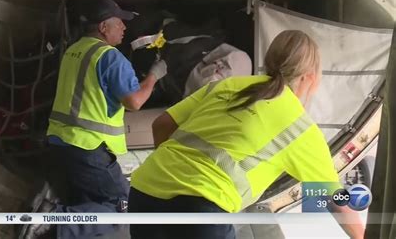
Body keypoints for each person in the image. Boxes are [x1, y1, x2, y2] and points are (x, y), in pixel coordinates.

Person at [128, 30, 365, 239]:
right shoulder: (299, 127)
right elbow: (338, 203)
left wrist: (172, 170)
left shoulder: (228, 85)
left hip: (146, 190)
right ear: (310, 77)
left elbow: (161, 124)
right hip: (202, 206)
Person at [20, 0, 167, 239]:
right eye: (119, 22)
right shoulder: (110, 57)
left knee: (90, 202)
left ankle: (57, 214)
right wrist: (154, 75)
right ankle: (50, 221)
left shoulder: (74, 50)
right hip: (88, 147)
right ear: (103, 27)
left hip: (60, 142)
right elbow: (135, 102)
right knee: (122, 206)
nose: (124, 28)